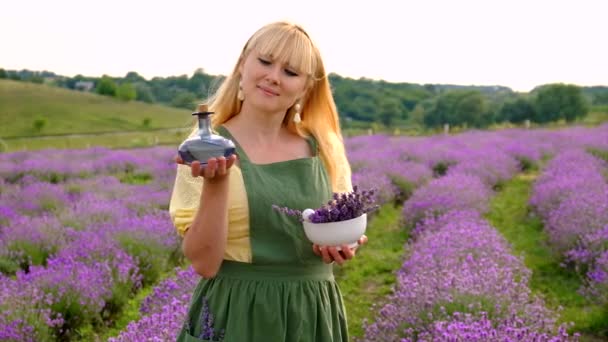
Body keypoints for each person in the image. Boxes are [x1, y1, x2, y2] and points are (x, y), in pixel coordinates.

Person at [169, 21, 367, 342]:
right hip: (236, 313)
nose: (274, 76)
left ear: (305, 88)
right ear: (242, 64)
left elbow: (342, 222)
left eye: (290, 72)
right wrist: (216, 185)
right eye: (265, 61)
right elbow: (204, 263)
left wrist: (345, 243)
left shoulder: (323, 147)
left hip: (310, 313)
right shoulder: (207, 147)